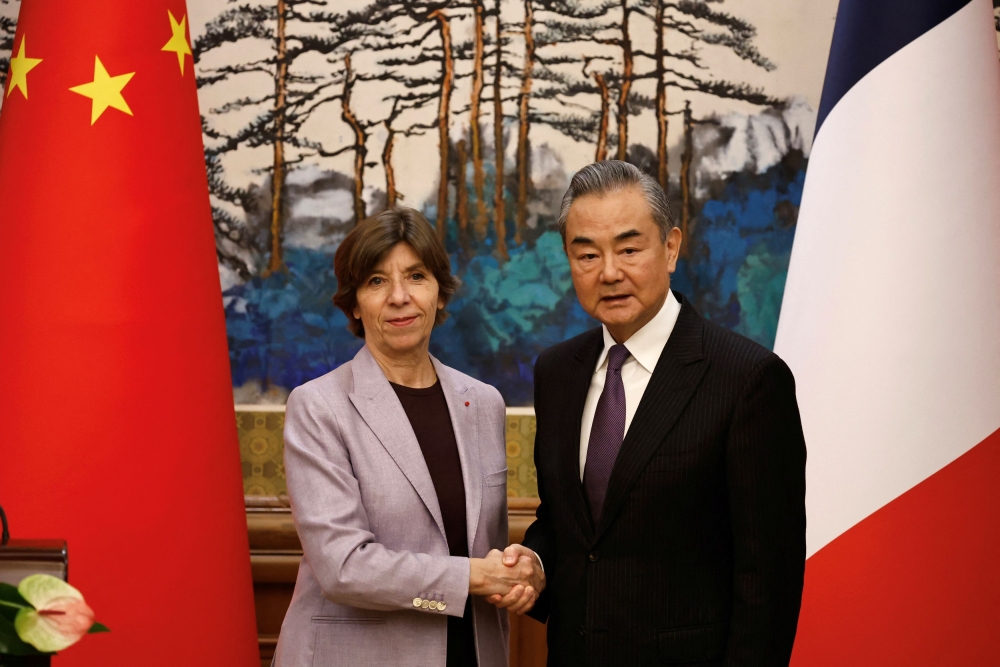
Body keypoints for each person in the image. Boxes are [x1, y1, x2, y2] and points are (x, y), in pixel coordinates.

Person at [495, 161, 806, 665]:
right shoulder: (557, 372)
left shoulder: (747, 379)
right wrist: (534, 563)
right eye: (588, 254)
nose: (610, 272)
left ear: (671, 247)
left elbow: (767, 583)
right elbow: (567, 525)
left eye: (629, 248)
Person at [273, 207, 544, 667]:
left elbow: (483, 547)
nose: (400, 297)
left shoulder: (484, 403)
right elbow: (344, 568)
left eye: (416, 276)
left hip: (472, 651)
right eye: (377, 281)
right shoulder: (318, 406)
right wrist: (474, 577)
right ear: (355, 303)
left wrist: (526, 570)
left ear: (439, 293)